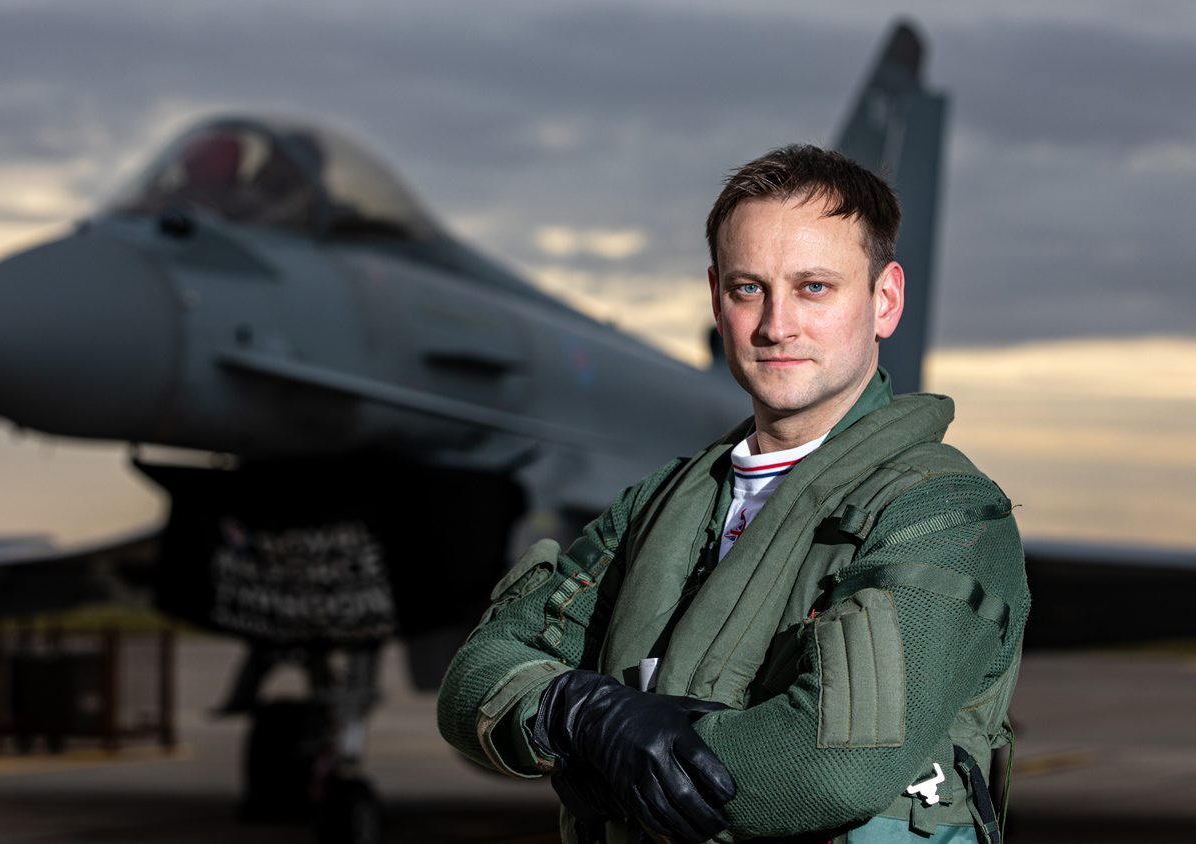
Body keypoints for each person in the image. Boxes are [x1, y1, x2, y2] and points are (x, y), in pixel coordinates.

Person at [437, 145, 1028, 844]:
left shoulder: (943, 512)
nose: (777, 326)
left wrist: (609, 768)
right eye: (750, 289)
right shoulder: (658, 507)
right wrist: (581, 710)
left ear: (885, 301)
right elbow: (477, 676)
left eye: (815, 288)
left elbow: (832, 769)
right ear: (717, 298)